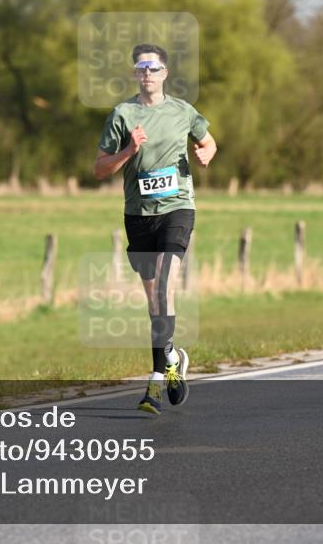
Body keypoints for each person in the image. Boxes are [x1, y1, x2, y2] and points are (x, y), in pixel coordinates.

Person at [93, 43, 217, 414]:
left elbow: (208, 141)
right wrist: (128, 151)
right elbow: (100, 169)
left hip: (178, 207)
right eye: (141, 68)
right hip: (139, 214)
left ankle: (156, 382)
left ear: (165, 74)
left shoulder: (183, 111)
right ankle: (174, 357)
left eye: (153, 67)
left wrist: (206, 153)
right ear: (135, 74)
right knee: (154, 302)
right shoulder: (122, 114)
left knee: (164, 286)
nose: (147, 73)